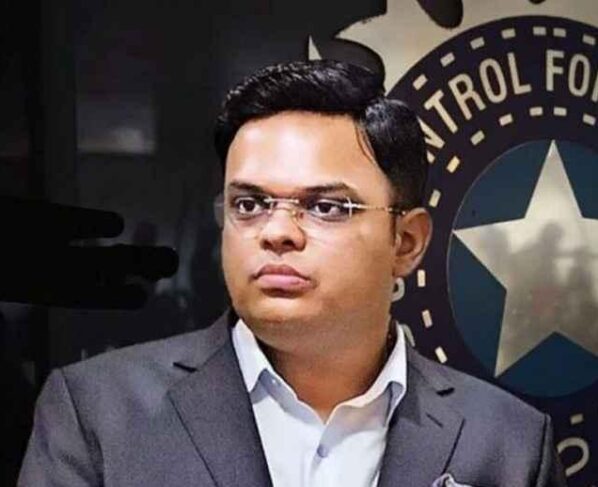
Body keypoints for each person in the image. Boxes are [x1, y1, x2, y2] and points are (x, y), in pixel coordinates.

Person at [18, 60, 566, 487]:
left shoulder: (508, 443)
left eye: (326, 207)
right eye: (249, 204)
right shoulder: (100, 414)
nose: (277, 231)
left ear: (406, 241)